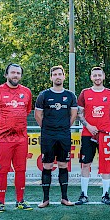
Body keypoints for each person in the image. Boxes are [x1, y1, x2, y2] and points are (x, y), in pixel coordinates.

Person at [0, 63, 33, 213]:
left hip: (21, 139)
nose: (15, 75)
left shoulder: (26, 92)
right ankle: (0, 202)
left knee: (21, 170)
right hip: (3, 139)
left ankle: (20, 201)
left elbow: (27, 110)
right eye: (13, 73)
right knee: (2, 170)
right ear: (6, 75)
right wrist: (1, 124)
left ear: (21, 76)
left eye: (18, 73)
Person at [34, 65, 78, 208]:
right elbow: (38, 115)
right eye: (55, 74)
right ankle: (45, 199)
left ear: (64, 76)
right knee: (47, 165)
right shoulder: (44, 95)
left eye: (60, 74)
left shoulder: (70, 96)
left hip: (64, 134)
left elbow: (73, 115)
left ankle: (64, 198)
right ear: (51, 77)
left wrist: (64, 127)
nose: (57, 77)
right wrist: (48, 128)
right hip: (48, 135)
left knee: (63, 165)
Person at [75, 67, 110, 205]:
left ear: (104, 76)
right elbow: (79, 113)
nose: (97, 77)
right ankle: (84, 195)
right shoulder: (85, 93)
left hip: (105, 135)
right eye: (95, 75)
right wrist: (88, 126)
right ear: (91, 77)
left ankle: (105, 194)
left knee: (106, 165)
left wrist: (107, 121)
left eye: (99, 75)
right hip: (88, 134)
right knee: (85, 164)